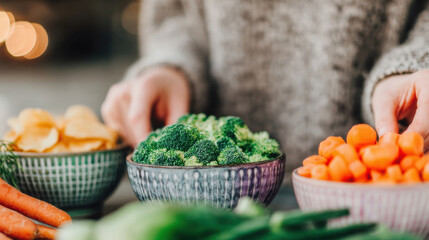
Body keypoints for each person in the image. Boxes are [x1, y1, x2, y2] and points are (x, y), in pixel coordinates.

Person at [102, 0, 429, 177]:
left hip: (389, 186)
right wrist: (170, 67)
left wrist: (413, 66)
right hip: (210, 204)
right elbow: (171, 14)